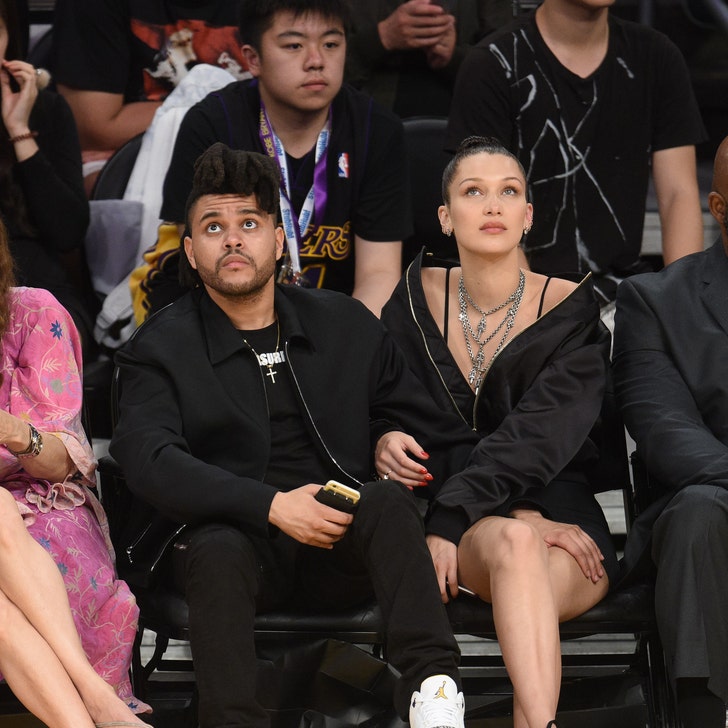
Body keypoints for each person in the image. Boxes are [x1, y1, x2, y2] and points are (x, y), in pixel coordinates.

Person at [110, 142, 480, 728]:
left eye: (250, 224)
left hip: (341, 542)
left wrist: (396, 449)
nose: (233, 239)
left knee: (387, 501)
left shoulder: (346, 325)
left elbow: (442, 436)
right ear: (190, 252)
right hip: (233, 554)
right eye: (213, 226)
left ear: (280, 241)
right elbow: (150, 460)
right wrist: (274, 507)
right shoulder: (158, 349)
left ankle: (433, 697)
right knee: (216, 545)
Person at [381, 136, 618, 728]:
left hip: (554, 516)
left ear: (528, 215)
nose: (492, 206)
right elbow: (382, 403)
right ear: (445, 215)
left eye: (508, 192)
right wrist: (382, 435)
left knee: (526, 544)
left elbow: (541, 438)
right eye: (473, 192)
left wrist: (502, 512)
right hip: (460, 523)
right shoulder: (411, 301)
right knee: (514, 541)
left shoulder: (573, 309)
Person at [133, 0, 409, 321]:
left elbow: (379, 274)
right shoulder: (213, 125)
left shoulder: (377, 130)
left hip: (339, 328)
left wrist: (340, 353)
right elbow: (204, 268)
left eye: (331, 44)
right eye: (294, 45)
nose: (317, 61)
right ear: (253, 59)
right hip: (223, 316)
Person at [445, 0, 707, 307]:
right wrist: (537, 318)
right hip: (520, 300)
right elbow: (485, 215)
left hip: (623, 297)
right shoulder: (493, 64)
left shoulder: (656, 56)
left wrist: (683, 310)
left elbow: (679, 194)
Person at [0, 217, 150, 726]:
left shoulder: (33, 312)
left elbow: (63, 458)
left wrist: (12, 430)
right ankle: (93, 697)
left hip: (34, 491)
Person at [612, 135, 728, 728]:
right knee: (699, 513)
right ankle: (702, 716)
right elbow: (664, 429)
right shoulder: (655, 300)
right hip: (710, 504)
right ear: (718, 208)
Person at [52, 0, 249, 187]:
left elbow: (278, 111)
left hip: (253, 143)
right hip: (127, 153)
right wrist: (230, 111)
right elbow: (95, 128)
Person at [0, 0, 97, 356]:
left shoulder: (47, 110)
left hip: (39, 293)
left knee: (44, 348)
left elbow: (68, 231)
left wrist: (19, 129)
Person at [345, 0, 496, 118]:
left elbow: (506, 68)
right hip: (366, 124)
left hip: (461, 128)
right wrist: (382, 38)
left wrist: (453, 56)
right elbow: (326, 67)